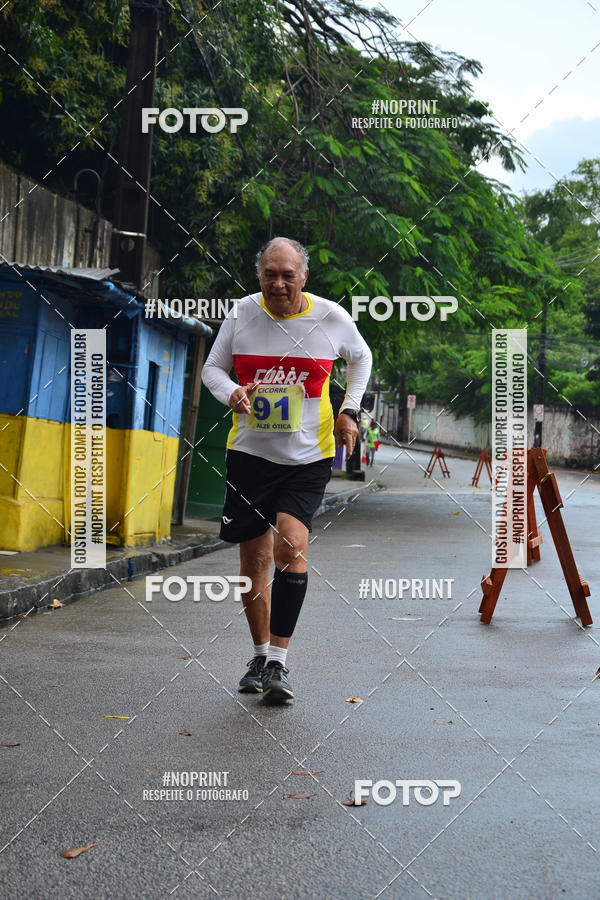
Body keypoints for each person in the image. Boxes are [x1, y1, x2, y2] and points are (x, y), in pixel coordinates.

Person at [201, 237, 372, 702]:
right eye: (269, 274)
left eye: (287, 275)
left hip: (306, 458)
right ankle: (258, 654)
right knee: (252, 560)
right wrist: (231, 392)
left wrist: (349, 410)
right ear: (259, 277)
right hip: (249, 456)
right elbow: (212, 369)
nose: (278, 283)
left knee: (291, 547)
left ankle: (278, 661)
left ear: (304, 277)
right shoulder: (241, 314)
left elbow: (362, 359)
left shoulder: (331, 317)